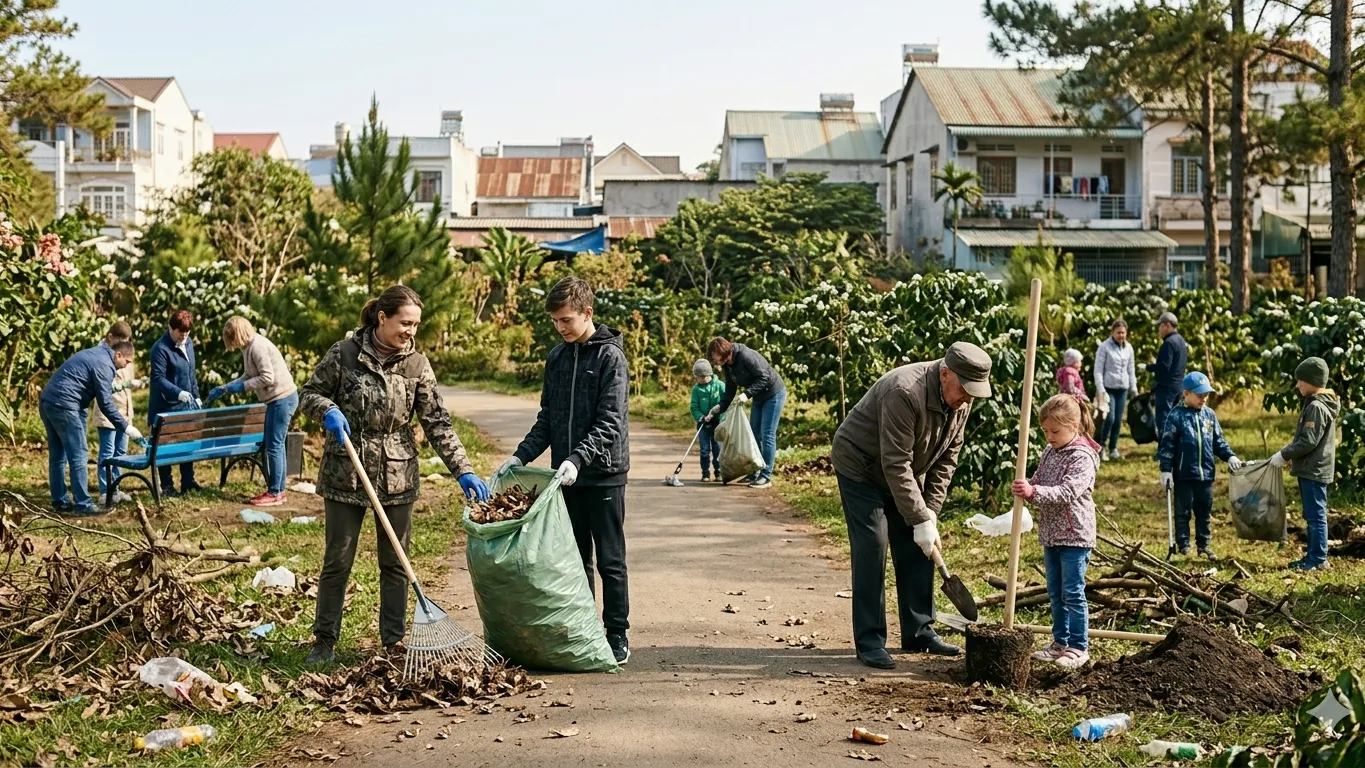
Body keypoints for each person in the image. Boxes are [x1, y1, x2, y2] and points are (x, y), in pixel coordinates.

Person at [299, 285, 490, 665]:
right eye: (405, 323)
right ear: (382, 317)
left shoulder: (416, 365)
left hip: (398, 475)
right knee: (338, 559)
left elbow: (437, 423)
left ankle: (393, 641)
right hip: (346, 472)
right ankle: (324, 641)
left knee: (395, 562)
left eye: (416, 325)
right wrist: (327, 410)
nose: (410, 332)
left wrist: (463, 470)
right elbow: (308, 394)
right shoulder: (345, 354)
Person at [830, 342, 993, 670]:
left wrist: (929, 513)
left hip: (902, 472)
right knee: (873, 544)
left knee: (920, 546)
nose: (968, 399)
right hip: (861, 467)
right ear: (945, 373)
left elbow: (947, 458)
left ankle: (919, 631)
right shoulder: (904, 391)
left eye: (974, 393)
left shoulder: (962, 399)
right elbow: (895, 462)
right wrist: (917, 516)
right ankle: (870, 640)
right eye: (964, 390)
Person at [497, 276, 633, 664]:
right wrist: (520, 456)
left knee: (610, 560)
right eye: (555, 321)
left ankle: (617, 634)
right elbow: (548, 420)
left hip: (603, 474)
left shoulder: (610, 358)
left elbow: (610, 422)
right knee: (573, 559)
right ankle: (584, 626)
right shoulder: (557, 357)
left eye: (567, 320)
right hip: (565, 477)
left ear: (587, 313)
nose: (561, 327)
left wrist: (577, 458)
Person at [1010, 394, 1101, 669]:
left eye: (1055, 431)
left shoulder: (1082, 456)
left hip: (1075, 536)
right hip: (1051, 533)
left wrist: (1034, 492)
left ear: (1074, 425)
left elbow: (1067, 491)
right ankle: (1059, 642)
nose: (1049, 436)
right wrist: (1027, 485)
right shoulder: (1050, 451)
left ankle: (1078, 647)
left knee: (1073, 592)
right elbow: (1039, 479)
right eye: (1045, 431)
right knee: (1055, 591)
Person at [39, 339, 142, 516]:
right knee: (79, 454)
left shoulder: (98, 353)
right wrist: (126, 427)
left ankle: (60, 502)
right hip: (65, 405)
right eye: (126, 361)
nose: (125, 367)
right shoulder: (106, 366)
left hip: (48, 401)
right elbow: (105, 403)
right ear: (118, 355)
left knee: (57, 456)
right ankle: (83, 504)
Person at [208, 316, 299, 507]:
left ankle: (275, 492)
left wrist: (241, 388)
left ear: (237, 335)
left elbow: (267, 377)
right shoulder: (249, 347)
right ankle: (279, 491)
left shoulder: (257, 346)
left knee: (274, 445)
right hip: (277, 399)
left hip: (282, 398)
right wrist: (226, 387)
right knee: (275, 445)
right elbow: (249, 375)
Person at [1156, 372, 1241, 560]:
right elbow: (1167, 445)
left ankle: (1204, 545)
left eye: (1206, 395)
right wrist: (1165, 469)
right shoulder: (1175, 416)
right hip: (1184, 475)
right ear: (1186, 394)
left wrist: (1230, 456)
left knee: (1204, 511)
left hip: (1206, 475)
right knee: (1183, 511)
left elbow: (1219, 442)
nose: (1204, 399)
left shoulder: (1209, 415)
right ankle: (1183, 545)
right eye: (1199, 395)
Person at [1269, 357, 1339, 571]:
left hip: (1314, 469)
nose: (1297, 385)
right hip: (1312, 468)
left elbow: (1308, 441)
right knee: (1311, 514)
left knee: (1316, 516)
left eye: (1300, 381)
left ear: (1312, 381)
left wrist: (1284, 454)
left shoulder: (1317, 406)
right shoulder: (1315, 403)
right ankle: (1312, 556)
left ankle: (1318, 559)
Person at [705, 337, 786, 488]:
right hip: (759, 396)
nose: (717, 363)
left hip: (773, 394)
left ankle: (766, 476)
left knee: (767, 434)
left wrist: (746, 394)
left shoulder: (746, 356)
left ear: (726, 353)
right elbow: (730, 389)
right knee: (754, 435)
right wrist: (719, 407)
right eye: (715, 361)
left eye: (718, 360)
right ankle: (753, 473)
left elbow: (764, 377)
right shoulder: (727, 365)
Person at [148, 309, 203, 497]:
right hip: (165, 405)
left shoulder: (188, 344)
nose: (183, 337)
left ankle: (188, 481)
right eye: (180, 333)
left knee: (186, 441)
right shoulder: (160, 349)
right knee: (166, 447)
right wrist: (178, 393)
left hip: (185, 406)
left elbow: (190, 374)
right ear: (170, 328)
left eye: (187, 334)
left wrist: (196, 396)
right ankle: (167, 486)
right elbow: (158, 379)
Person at [92, 320, 145, 506]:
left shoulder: (124, 352)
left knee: (120, 452)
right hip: (108, 412)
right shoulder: (100, 356)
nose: (124, 344)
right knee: (107, 452)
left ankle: (116, 488)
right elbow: (105, 388)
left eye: (127, 341)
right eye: (121, 340)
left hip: (125, 410)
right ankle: (105, 491)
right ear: (110, 337)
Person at [1093, 319, 1138, 461]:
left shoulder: (1129, 348)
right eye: (1118, 332)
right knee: (1109, 418)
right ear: (1112, 332)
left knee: (1118, 420)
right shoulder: (1104, 347)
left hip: (1122, 388)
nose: (1121, 335)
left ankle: (1113, 448)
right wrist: (1101, 389)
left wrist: (1134, 388)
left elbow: (1131, 369)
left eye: (1123, 333)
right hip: (1108, 388)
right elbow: (1098, 369)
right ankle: (1102, 447)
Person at [1147, 311, 1188, 435]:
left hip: (1166, 388)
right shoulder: (1181, 340)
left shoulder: (1169, 343)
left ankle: (1165, 451)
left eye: (1160, 326)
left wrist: (1148, 367)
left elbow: (1164, 367)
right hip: (1179, 386)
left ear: (1167, 325)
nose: (1159, 329)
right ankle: (1176, 451)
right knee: (1176, 420)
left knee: (1164, 421)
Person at [689, 359, 725, 482]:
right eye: (698, 377)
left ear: (709, 374)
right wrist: (701, 417)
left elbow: (726, 400)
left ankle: (718, 471)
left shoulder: (719, 385)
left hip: (718, 423)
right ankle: (705, 473)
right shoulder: (696, 390)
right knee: (704, 450)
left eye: (703, 377)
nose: (701, 379)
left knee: (717, 449)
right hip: (703, 424)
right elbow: (694, 407)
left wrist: (719, 412)